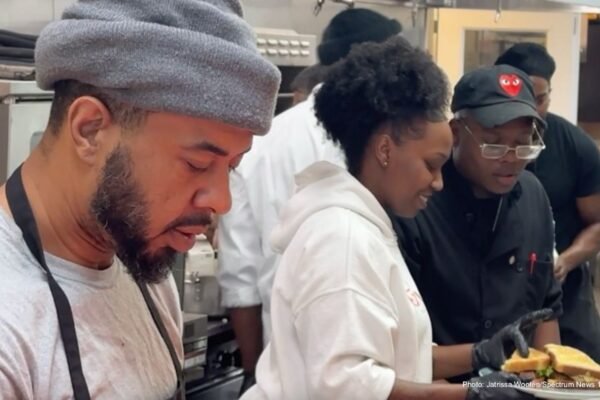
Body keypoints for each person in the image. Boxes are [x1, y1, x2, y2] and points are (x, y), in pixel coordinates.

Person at [241, 36, 547, 400]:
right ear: (385, 149)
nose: (438, 182)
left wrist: (479, 354)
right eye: (431, 165)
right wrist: (470, 394)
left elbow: (398, 356)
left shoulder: (367, 229)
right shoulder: (341, 238)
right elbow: (349, 386)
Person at [0, 0, 280, 399]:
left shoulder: (144, 266)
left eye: (231, 167)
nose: (222, 202)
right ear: (90, 130)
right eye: (198, 164)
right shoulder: (10, 330)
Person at [217, 7, 402, 392]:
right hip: (368, 371)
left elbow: (241, 279)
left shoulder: (263, 141)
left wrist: (254, 373)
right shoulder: (375, 143)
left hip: (283, 371)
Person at [394, 64, 563, 383]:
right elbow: (400, 349)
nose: (511, 157)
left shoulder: (533, 195)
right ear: (456, 133)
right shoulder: (418, 202)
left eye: (523, 143)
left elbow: (547, 308)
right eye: (494, 143)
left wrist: (550, 382)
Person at [496, 42, 600, 361]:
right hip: (500, 286)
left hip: (564, 287)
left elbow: (597, 223)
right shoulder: (479, 145)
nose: (531, 109)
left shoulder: (577, 147)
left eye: (539, 99)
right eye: (522, 100)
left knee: (578, 371)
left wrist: (566, 260)